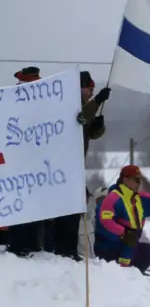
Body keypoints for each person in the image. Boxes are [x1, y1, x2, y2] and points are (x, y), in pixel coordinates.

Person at [48, 71, 111, 261]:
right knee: (66, 212)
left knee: (75, 211)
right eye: (89, 89)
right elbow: (80, 119)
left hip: (74, 169)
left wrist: (98, 125)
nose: (92, 92)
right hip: (61, 169)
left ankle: (67, 250)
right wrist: (98, 101)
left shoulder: (85, 107)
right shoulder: (67, 107)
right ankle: (62, 250)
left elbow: (89, 133)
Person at [6, 67, 45, 258]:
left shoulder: (39, 107)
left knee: (34, 205)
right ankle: (17, 244)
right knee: (18, 204)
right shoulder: (10, 104)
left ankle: (32, 243)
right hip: (16, 165)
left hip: (35, 165)